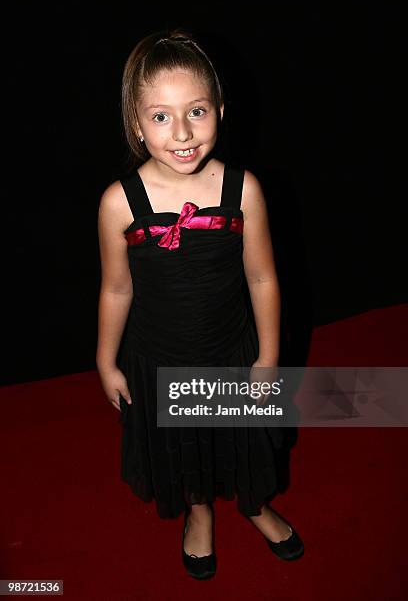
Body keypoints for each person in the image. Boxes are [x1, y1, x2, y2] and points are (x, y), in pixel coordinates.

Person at [96, 28, 304, 580]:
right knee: (185, 449)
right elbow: (117, 288)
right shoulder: (119, 202)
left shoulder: (244, 190)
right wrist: (105, 360)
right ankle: (200, 511)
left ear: (219, 109)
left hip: (231, 352)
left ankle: (255, 503)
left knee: (244, 441)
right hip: (158, 359)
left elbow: (262, 278)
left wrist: (267, 359)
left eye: (197, 111)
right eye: (160, 117)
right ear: (136, 123)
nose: (183, 133)